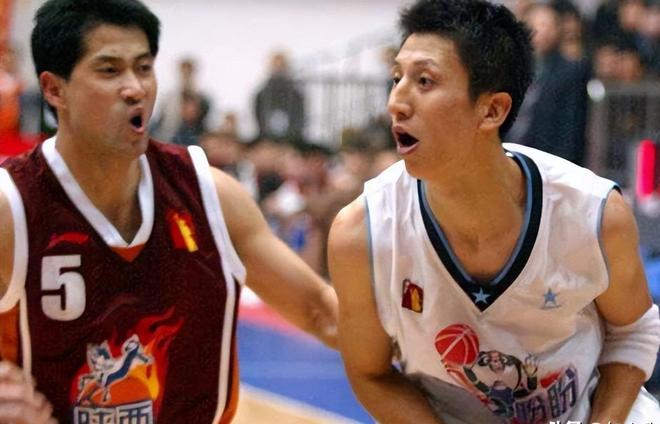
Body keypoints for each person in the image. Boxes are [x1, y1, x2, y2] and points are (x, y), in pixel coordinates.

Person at [0, 0, 337, 423]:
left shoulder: (210, 195)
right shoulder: (12, 205)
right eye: (109, 70)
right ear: (54, 89)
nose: (135, 88)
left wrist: (413, 348)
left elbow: (321, 311)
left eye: (143, 68)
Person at [327, 0, 660, 423]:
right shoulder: (361, 233)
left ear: (492, 110)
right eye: (397, 78)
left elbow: (634, 331)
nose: (396, 102)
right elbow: (370, 373)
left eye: (424, 81)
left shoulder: (593, 213)